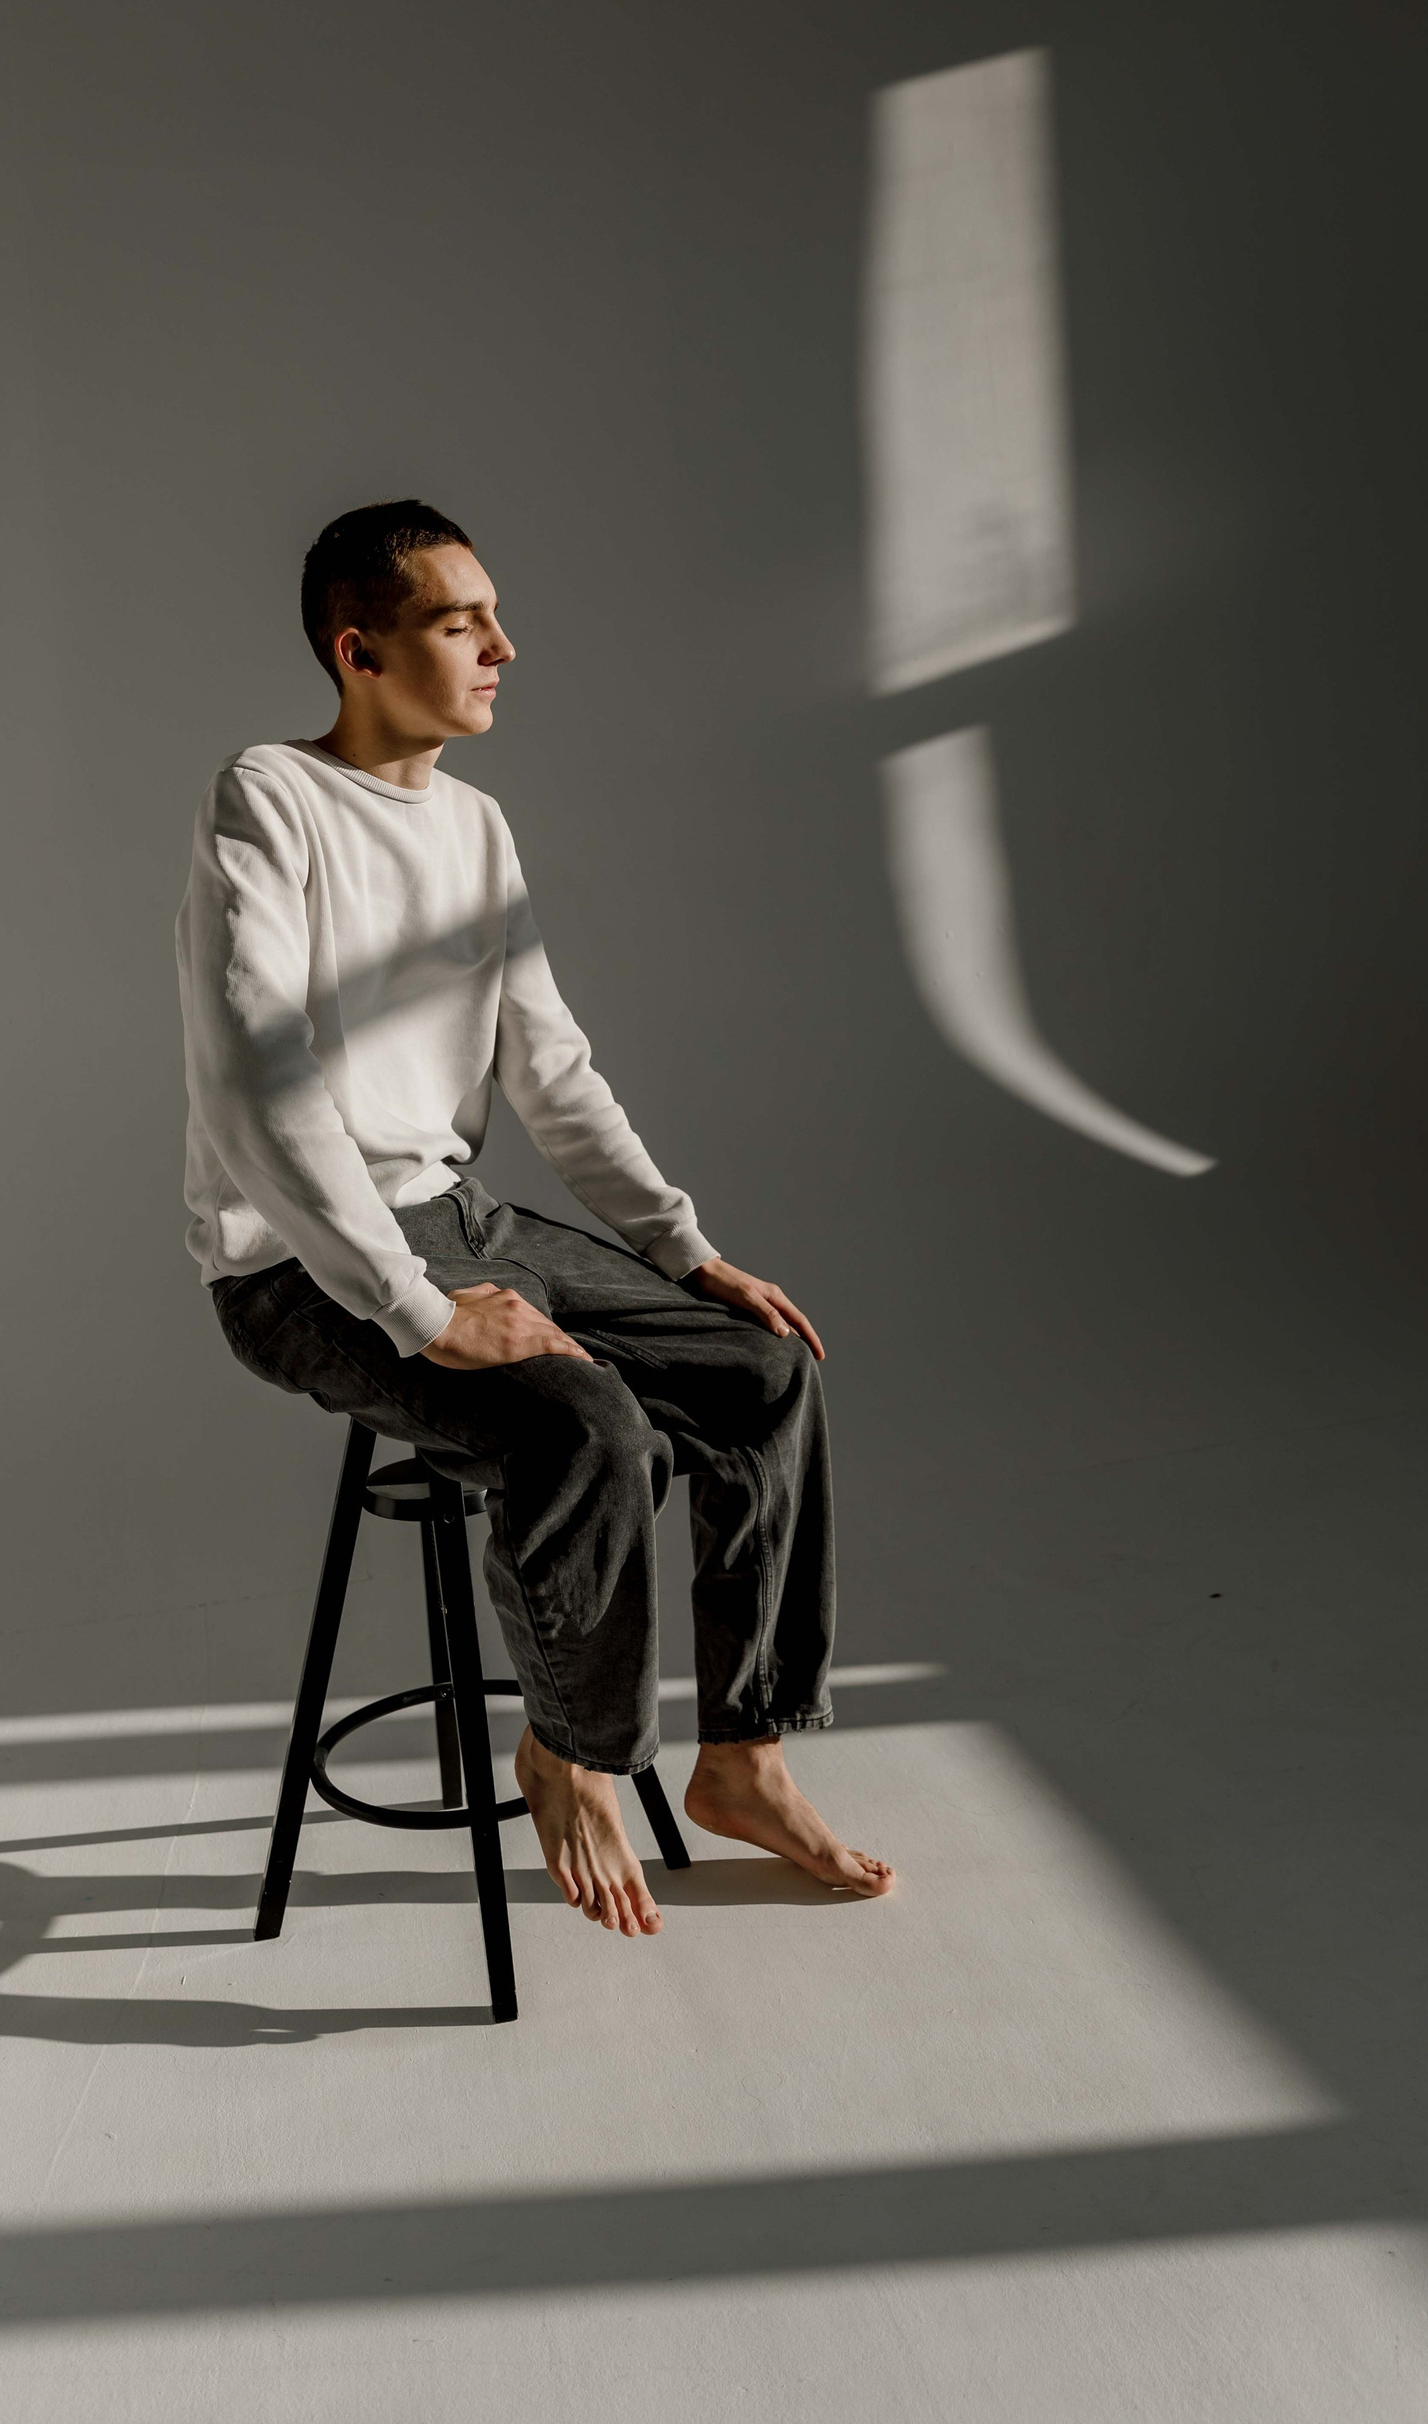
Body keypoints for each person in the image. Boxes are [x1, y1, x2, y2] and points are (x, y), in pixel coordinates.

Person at [178, 500, 893, 1937]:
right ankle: (572, 1751)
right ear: (359, 650)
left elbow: (548, 1065)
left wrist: (683, 1249)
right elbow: (260, 1083)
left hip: (463, 1215)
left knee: (766, 1374)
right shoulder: (271, 794)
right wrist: (416, 1311)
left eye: (494, 618)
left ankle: (744, 1760)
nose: (503, 648)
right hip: (302, 1268)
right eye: (462, 624)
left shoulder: (477, 826)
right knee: (592, 1430)